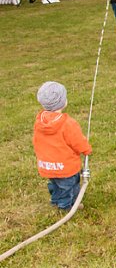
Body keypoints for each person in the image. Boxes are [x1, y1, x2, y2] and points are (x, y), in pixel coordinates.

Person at [32, 81, 92, 211]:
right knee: (68, 188)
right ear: (63, 102)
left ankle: (55, 200)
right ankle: (66, 207)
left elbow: (36, 141)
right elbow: (78, 142)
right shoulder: (68, 124)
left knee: (56, 184)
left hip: (48, 165)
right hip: (66, 168)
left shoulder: (39, 121)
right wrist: (86, 149)